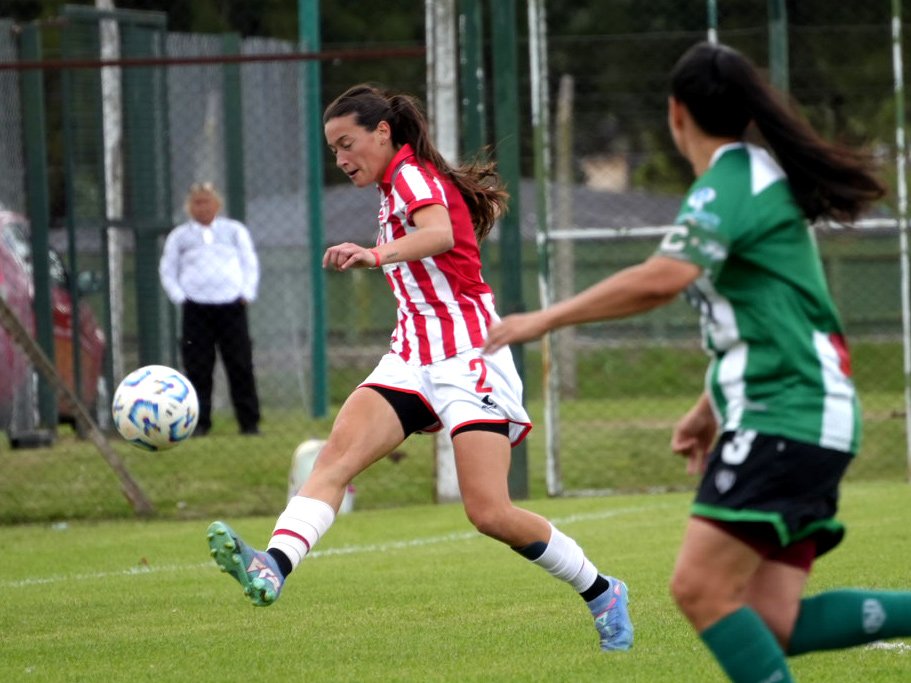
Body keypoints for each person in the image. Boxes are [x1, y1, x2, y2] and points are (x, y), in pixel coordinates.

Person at [484, 41, 911, 681]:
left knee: (699, 587)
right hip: (799, 410)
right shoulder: (749, 181)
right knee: (774, 622)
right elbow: (772, 318)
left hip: (787, 413)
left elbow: (663, 278)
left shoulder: (731, 183)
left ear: (675, 112)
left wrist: (542, 318)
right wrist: (709, 407)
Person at [205, 84, 633, 652]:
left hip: (469, 356)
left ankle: (602, 591)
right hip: (410, 355)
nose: (341, 159)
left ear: (383, 132)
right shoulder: (391, 188)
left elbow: (441, 234)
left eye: (347, 144)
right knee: (334, 460)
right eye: (333, 150)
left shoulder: (410, 175)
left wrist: (374, 253)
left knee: (489, 512)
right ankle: (273, 564)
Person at [159, 182, 261, 436]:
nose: (202, 207)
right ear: (189, 207)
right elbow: (168, 269)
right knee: (198, 366)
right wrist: (180, 296)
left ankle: (249, 423)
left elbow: (249, 262)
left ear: (217, 204)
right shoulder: (180, 236)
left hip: (231, 306)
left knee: (240, 364)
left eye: (207, 202)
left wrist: (246, 293)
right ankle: (199, 423)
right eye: (197, 202)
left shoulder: (234, 231)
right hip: (196, 308)